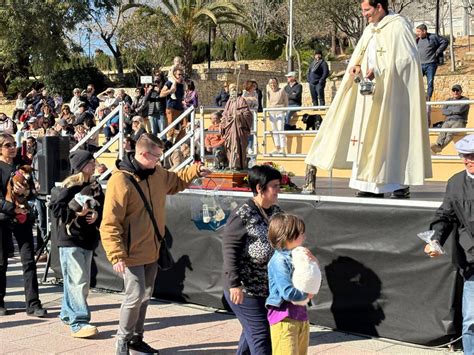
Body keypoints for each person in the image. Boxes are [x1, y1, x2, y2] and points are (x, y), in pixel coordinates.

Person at [305, 0, 432, 199]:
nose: (364, 14)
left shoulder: (398, 26)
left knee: (390, 136)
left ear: (379, 6)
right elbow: (362, 57)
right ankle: (366, 182)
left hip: (392, 95)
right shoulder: (369, 31)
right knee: (365, 136)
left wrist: (380, 71)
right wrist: (357, 68)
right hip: (368, 95)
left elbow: (407, 60)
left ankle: (396, 183)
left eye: (367, 10)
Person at [99, 133, 209, 354]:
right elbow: (110, 222)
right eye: (157, 156)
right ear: (143, 153)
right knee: (135, 295)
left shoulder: (157, 173)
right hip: (129, 252)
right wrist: (116, 254)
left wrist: (195, 171)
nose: (160, 160)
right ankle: (122, 339)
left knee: (146, 295)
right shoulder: (120, 180)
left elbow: (175, 181)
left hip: (152, 248)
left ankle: (136, 339)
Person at [223, 164, 283, 355]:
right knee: (261, 337)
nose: (278, 190)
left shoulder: (275, 212)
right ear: (259, 188)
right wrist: (234, 283)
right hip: (245, 290)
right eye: (274, 186)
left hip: (266, 289)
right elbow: (230, 249)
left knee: (251, 337)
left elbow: (286, 239)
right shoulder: (243, 213)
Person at [424, 134, 474, 354]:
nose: (467, 160)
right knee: (471, 320)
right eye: (465, 156)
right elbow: (445, 215)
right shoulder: (456, 183)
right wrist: (434, 239)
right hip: (472, 259)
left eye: (472, 156)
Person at [49, 150, 104, 338]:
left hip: (87, 238)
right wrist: (75, 209)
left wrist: (96, 214)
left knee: (79, 280)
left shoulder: (95, 186)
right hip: (70, 239)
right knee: (78, 280)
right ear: (81, 166)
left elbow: (101, 208)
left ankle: (67, 313)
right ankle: (78, 322)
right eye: (90, 161)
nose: (94, 163)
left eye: (93, 160)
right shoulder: (69, 186)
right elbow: (56, 209)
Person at [0, 133, 46, 317]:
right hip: (3, 219)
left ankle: (33, 304)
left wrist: (27, 191)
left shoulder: (21, 165)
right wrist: (13, 208)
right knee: (1, 263)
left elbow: (34, 192)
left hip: (24, 219)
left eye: (13, 144)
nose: (12, 147)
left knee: (28, 261)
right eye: (7, 145)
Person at [266, 213, 315, 355]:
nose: (304, 236)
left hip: (300, 317)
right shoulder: (279, 261)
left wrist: (313, 262)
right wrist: (307, 295)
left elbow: (312, 280)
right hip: (284, 319)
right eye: (300, 232)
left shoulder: (297, 256)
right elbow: (287, 292)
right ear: (288, 235)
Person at [221, 83, 253, 170]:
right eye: (231, 90)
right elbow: (224, 114)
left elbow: (247, 114)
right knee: (229, 146)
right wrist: (224, 120)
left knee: (236, 145)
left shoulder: (241, 100)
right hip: (229, 128)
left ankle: (237, 164)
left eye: (234, 90)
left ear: (237, 91)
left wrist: (238, 116)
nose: (232, 92)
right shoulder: (229, 102)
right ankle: (230, 163)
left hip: (238, 128)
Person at [431, 84, 470, 154]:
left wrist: (449, 110)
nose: (455, 92)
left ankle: (439, 148)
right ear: (452, 92)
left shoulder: (465, 100)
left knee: (450, 133)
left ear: (461, 91)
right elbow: (443, 111)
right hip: (448, 121)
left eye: (457, 90)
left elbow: (459, 110)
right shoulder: (448, 100)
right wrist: (454, 111)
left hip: (459, 121)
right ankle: (438, 145)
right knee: (443, 132)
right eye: (454, 90)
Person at [415, 24, 449, 101]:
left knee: (430, 82)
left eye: (418, 31)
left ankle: (428, 98)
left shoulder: (433, 37)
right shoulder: (417, 39)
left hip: (431, 64)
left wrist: (437, 52)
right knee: (416, 81)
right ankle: (418, 98)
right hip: (420, 64)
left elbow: (445, 41)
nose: (417, 33)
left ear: (424, 31)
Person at [266, 78, 289, 155]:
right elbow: (268, 102)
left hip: (280, 111)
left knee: (280, 129)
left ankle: (283, 148)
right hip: (271, 112)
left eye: (274, 83)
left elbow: (286, 101)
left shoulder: (281, 90)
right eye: (271, 83)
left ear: (277, 83)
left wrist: (285, 111)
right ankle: (277, 147)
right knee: (274, 130)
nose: (272, 84)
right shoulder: (268, 92)